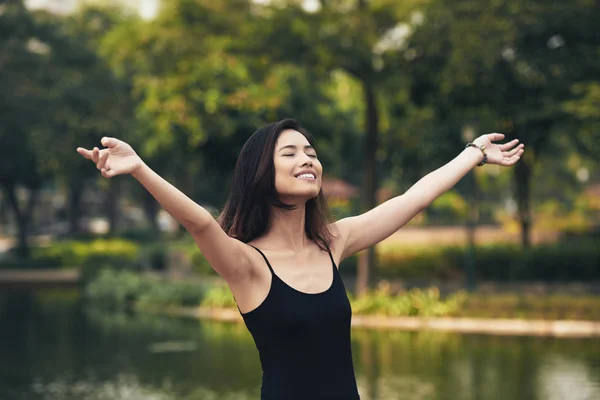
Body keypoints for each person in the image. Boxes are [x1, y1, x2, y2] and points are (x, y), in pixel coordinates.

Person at [77, 118, 524, 399]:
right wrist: (139, 168)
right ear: (261, 174)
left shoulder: (333, 242)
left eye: (311, 152)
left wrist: (474, 154)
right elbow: (200, 223)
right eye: (289, 153)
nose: (307, 159)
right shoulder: (247, 265)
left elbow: (413, 198)